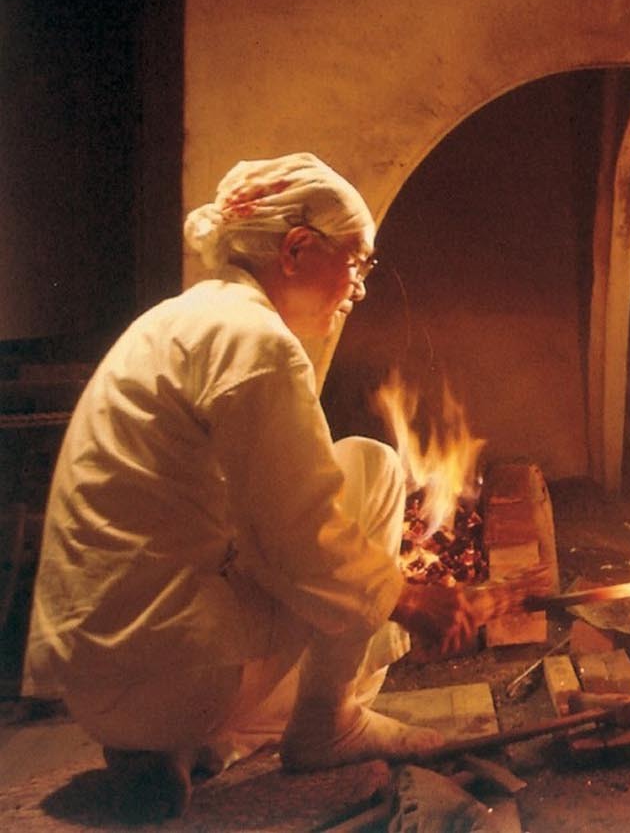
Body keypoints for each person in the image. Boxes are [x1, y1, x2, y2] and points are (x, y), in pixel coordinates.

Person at [24, 154, 484, 821]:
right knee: (373, 469)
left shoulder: (177, 321)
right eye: (356, 263)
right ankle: (327, 725)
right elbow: (297, 538)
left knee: (328, 491)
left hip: (98, 682)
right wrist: (407, 598)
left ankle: (171, 749)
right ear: (296, 250)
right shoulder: (257, 342)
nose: (358, 288)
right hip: (170, 677)